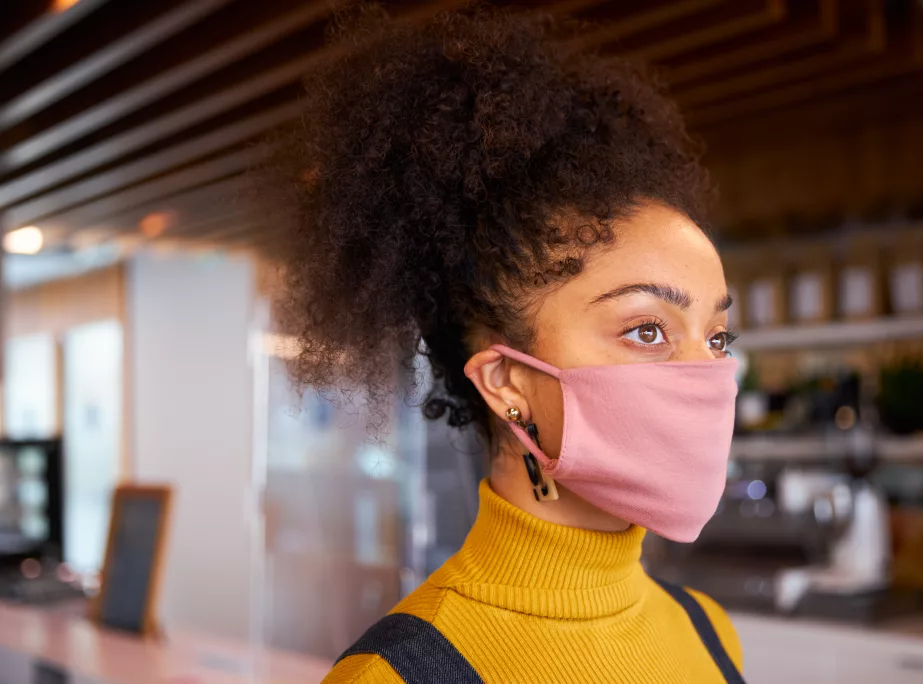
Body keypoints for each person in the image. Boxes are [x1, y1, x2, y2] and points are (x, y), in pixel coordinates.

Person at [272, 6, 744, 683]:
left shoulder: (710, 629)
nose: (710, 374)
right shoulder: (394, 676)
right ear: (505, 383)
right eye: (647, 331)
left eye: (718, 336)